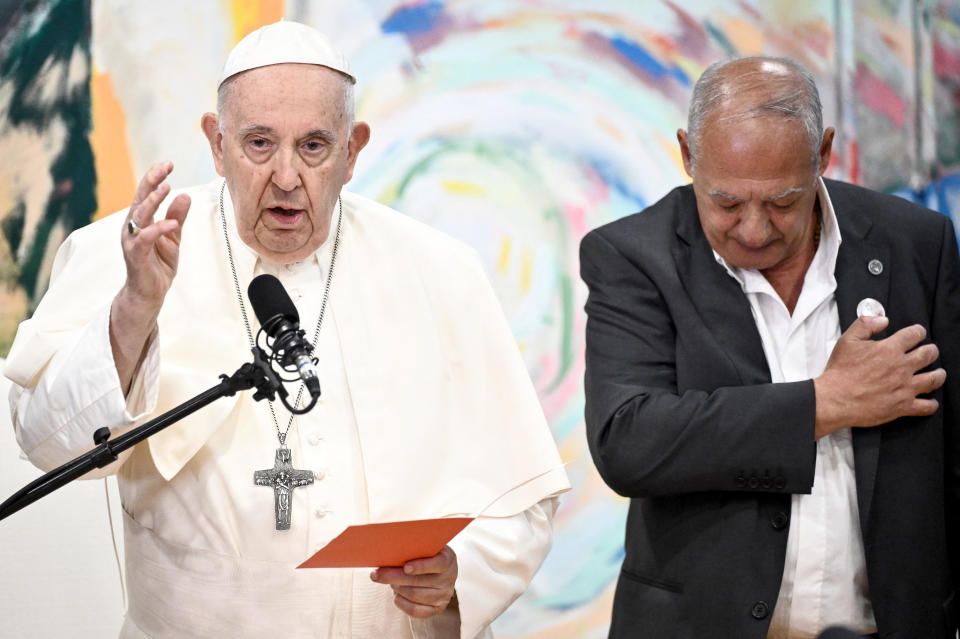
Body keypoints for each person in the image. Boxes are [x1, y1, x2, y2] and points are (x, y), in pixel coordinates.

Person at [5, 21, 569, 639]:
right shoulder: (127, 253)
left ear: (353, 151)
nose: (285, 176)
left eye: (314, 146)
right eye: (258, 143)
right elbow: (49, 445)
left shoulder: (440, 270)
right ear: (216, 144)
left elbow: (524, 491)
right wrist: (135, 307)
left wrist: (464, 571)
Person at [580, 56, 958, 638]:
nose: (754, 230)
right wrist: (825, 403)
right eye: (726, 203)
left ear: (824, 153)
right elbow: (628, 439)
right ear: (686, 153)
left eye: (784, 201)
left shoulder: (916, 242)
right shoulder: (633, 256)